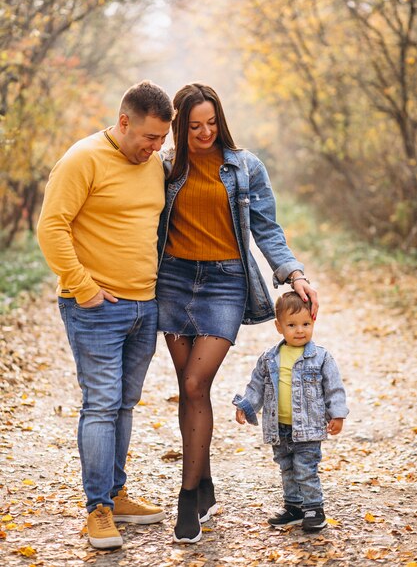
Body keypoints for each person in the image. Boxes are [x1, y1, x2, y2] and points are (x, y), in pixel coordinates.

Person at [156, 83, 319, 544]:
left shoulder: (245, 166)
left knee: (194, 383)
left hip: (226, 283)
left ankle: (188, 496)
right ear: (178, 127)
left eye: (211, 122)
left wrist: (294, 274)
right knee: (189, 389)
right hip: (172, 279)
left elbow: (268, 229)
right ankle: (204, 485)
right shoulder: (164, 167)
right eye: (193, 126)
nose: (204, 132)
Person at [37, 80, 174, 550]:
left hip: (144, 306)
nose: (154, 148)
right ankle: (97, 509)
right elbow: (50, 226)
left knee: (124, 403)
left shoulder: (154, 164)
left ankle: (116, 495)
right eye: (148, 137)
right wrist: (84, 287)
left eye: (161, 140)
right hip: (95, 308)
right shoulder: (82, 159)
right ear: (123, 122)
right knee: (100, 403)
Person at [234, 291, 348, 532]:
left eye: (306, 324)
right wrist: (246, 406)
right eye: (292, 325)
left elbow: (334, 388)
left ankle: (314, 509)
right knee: (287, 468)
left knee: (305, 470)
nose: (300, 330)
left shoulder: (321, 357)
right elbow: (256, 386)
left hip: (308, 428)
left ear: (313, 322)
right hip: (280, 428)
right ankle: (294, 507)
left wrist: (337, 414)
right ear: (279, 326)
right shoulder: (269, 359)